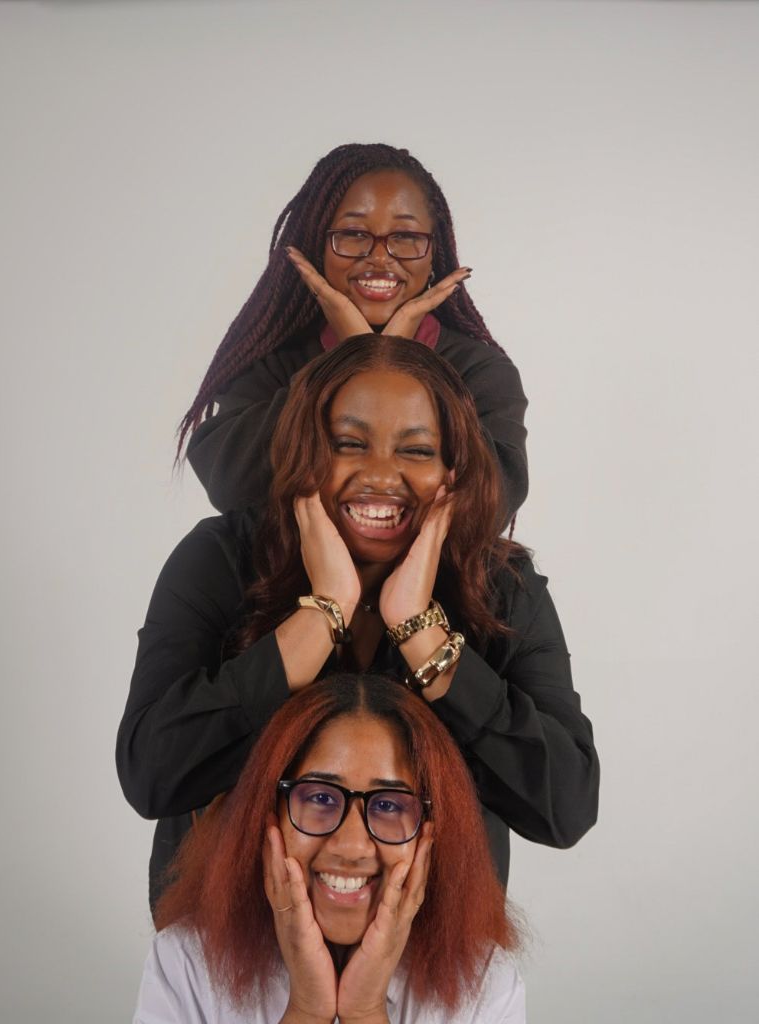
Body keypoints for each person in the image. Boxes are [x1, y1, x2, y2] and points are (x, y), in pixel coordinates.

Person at [117, 336, 599, 908]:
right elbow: (153, 775)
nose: (381, 476)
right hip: (235, 944)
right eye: (348, 444)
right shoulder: (219, 561)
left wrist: (421, 632)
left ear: (454, 469)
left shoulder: (503, 589)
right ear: (303, 451)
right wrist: (324, 614)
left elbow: (565, 807)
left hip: (430, 952)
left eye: (417, 451)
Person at [134, 674, 525, 1024]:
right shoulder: (184, 964)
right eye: (320, 797)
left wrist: (364, 1013)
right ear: (267, 816)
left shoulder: (487, 982)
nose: (352, 845)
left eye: (388, 804)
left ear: (431, 834)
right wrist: (307, 1011)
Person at [179, 142, 528, 525]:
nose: (380, 257)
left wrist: (391, 356)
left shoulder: (481, 371)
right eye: (353, 234)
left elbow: (490, 509)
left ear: (434, 253)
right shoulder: (273, 363)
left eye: (406, 237)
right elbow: (231, 488)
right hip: (293, 580)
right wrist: (350, 359)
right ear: (318, 247)